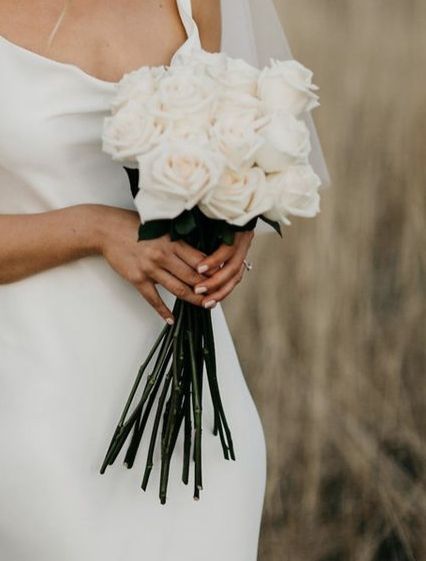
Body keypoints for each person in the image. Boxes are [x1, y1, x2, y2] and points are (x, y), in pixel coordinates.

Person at [0, 1, 267, 559]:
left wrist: (238, 217)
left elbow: (232, 154)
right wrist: (96, 231)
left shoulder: (192, 7)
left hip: (198, 415)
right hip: (38, 409)